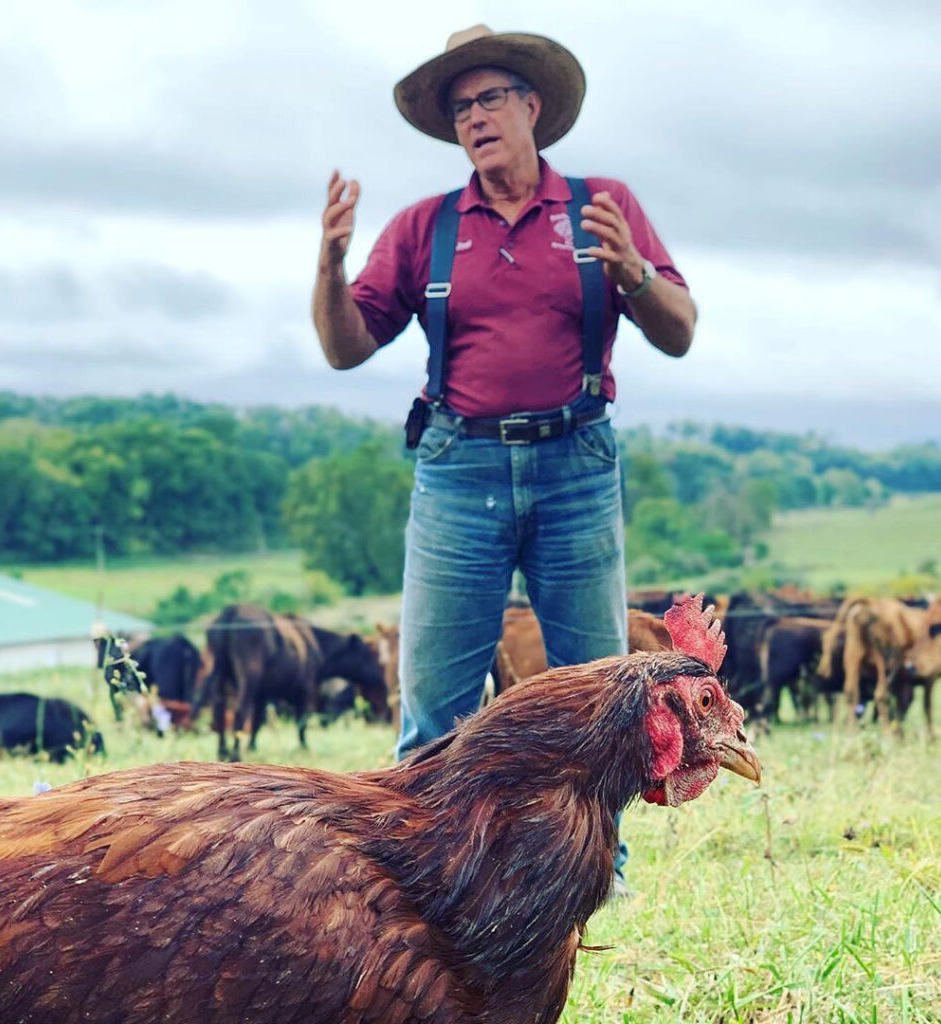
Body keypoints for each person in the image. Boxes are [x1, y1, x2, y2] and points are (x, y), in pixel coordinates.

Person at [312, 26, 696, 893]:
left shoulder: (603, 205)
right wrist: (330, 265)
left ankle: (594, 876)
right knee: (436, 704)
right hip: (459, 467)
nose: (474, 118)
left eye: (489, 99)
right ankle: (436, 886)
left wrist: (632, 272)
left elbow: (680, 332)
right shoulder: (424, 229)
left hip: (577, 466)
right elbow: (345, 347)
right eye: (459, 108)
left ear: (533, 106)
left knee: (600, 695)